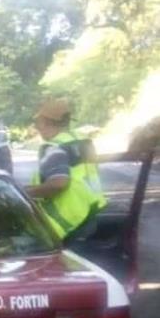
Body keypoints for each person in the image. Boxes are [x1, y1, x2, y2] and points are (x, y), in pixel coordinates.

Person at [26, 99, 107, 245]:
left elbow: (59, 183)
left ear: (46, 122)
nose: (36, 127)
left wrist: (26, 193)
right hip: (90, 210)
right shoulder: (83, 141)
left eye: (37, 122)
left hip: (69, 219)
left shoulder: (54, 147)